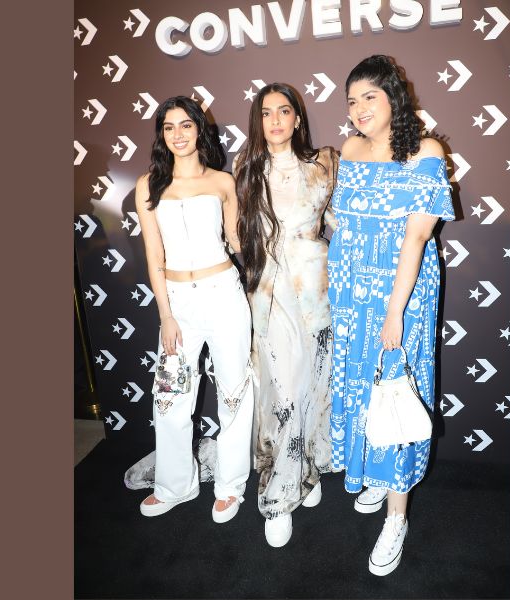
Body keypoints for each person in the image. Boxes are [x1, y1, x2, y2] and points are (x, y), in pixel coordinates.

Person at [327, 55, 455, 575]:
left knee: (397, 388)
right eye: (351, 100)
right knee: (362, 387)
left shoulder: (425, 151)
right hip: (351, 290)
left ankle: (396, 517)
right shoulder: (350, 149)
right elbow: (342, 224)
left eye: (369, 97)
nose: (358, 108)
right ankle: (374, 476)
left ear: (393, 98)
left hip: (401, 291)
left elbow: (417, 237)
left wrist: (395, 312)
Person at [133, 95, 253, 523]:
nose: (178, 134)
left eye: (185, 124)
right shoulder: (148, 185)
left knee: (234, 392)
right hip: (177, 303)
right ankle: (175, 486)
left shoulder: (223, 182)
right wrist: (165, 314)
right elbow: (154, 253)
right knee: (170, 396)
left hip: (224, 294)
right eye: (168, 127)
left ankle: (231, 486)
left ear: (200, 129)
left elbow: (237, 242)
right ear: (161, 135)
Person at [233, 83, 338, 547]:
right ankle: (278, 495)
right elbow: (238, 232)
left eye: (283, 111)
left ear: (297, 118)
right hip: (268, 292)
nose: (275, 120)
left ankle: (306, 471)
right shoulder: (245, 167)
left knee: (314, 385)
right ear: (258, 121)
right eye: (266, 113)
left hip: (315, 291)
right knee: (283, 389)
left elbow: (338, 221)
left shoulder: (325, 164)